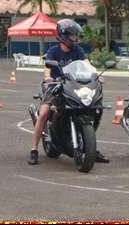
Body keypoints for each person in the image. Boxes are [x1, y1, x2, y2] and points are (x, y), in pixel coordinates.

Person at [27, 19, 109, 165]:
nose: (75, 38)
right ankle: (34, 150)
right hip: (55, 85)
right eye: (73, 35)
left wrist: (97, 75)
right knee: (44, 112)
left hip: (72, 85)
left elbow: (87, 65)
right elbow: (47, 67)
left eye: (76, 35)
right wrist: (47, 77)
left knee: (92, 107)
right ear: (63, 35)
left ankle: (89, 147)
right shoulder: (54, 51)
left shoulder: (78, 51)